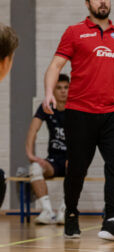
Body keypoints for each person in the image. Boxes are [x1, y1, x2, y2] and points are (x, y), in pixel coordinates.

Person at [42, 0, 114, 242]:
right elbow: (55, 66)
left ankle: (112, 219)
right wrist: (49, 93)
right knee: (76, 169)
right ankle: (71, 213)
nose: (103, 1)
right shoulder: (74, 32)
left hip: (112, 112)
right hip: (80, 113)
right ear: (87, 4)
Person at [25, 74, 69, 224]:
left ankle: (65, 210)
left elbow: (88, 136)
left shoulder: (76, 107)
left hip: (73, 160)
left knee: (76, 167)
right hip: (54, 160)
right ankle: (47, 211)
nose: (63, 91)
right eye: (59, 88)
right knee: (35, 168)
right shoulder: (48, 106)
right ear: (53, 90)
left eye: (66, 87)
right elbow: (33, 129)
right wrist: (30, 154)